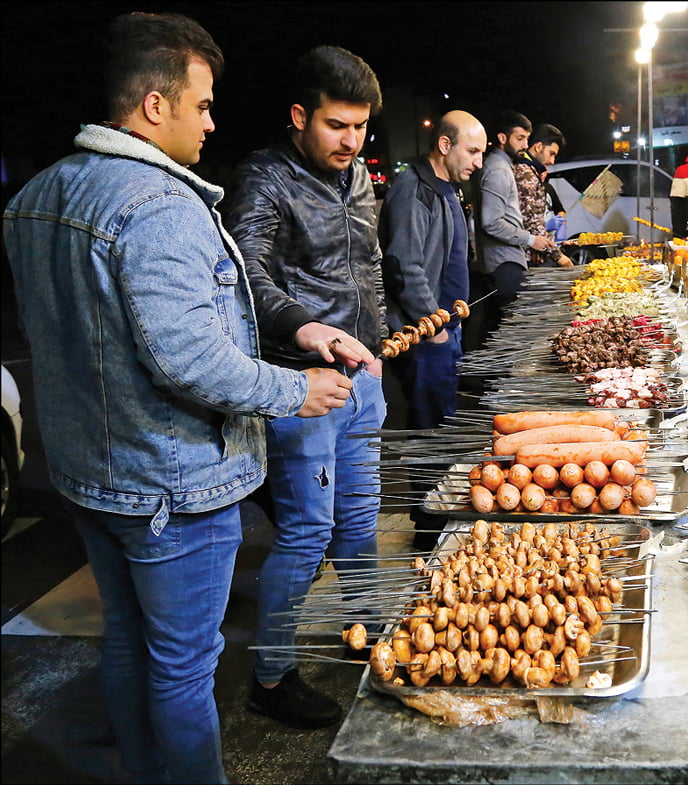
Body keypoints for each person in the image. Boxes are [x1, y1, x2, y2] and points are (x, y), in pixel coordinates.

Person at [2, 13, 358, 783]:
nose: (212, 120)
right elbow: (190, 359)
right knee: (184, 667)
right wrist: (294, 390)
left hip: (91, 478)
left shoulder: (35, 196)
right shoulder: (159, 204)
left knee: (131, 643)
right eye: (201, 104)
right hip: (171, 483)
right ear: (154, 105)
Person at [222, 45, 387, 729]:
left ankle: (375, 633)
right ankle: (271, 673)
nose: (350, 141)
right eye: (335, 125)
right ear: (300, 115)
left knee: (360, 520)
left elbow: (367, 265)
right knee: (308, 529)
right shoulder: (263, 179)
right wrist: (307, 328)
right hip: (300, 381)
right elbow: (247, 276)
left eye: (360, 127)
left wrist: (380, 339)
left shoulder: (358, 179)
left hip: (362, 377)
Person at [378, 110, 487, 550]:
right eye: (473, 151)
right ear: (445, 145)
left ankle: (437, 519)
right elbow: (404, 265)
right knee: (428, 436)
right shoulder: (412, 190)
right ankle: (427, 532)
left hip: (445, 328)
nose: (478, 162)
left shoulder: (446, 188)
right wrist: (433, 324)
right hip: (426, 336)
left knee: (442, 430)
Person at [471, 109, 557, 342]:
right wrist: (531, 240)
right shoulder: (498, 170)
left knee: (495, 326)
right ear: (502, 138)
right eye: (520, 138)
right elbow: (492, 222)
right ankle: (496, 376)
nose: (525, 145)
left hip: (502, 260)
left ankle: (486, 377)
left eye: (527, 139)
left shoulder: (503, 167)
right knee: (514, 330)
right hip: (503, 262)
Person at [513, 123, 575, 268]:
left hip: (533, 251)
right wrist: (559, 257)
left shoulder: (530, 170)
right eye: (551, 153)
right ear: (538, 147)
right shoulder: (525, 173)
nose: (552, 161)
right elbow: (531, 221)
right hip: (523, 257)